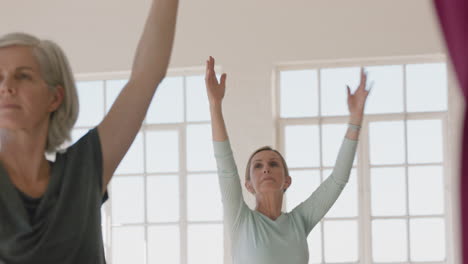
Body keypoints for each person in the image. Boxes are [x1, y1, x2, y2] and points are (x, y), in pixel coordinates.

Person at [0, 0, 178, 263]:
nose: (7, 86)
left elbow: (146, 76)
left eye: (23, 76)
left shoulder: (83, 171)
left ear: (55, 97)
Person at [205, 56, 370, 264]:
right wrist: (214, 105)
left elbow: (338, 180)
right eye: (258, 166)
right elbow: (225, 166)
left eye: (273, 164)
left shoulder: (299, 222)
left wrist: (355, 119)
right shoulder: (241, 220)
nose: (266, 169)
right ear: (248, 185)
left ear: (287, 180)